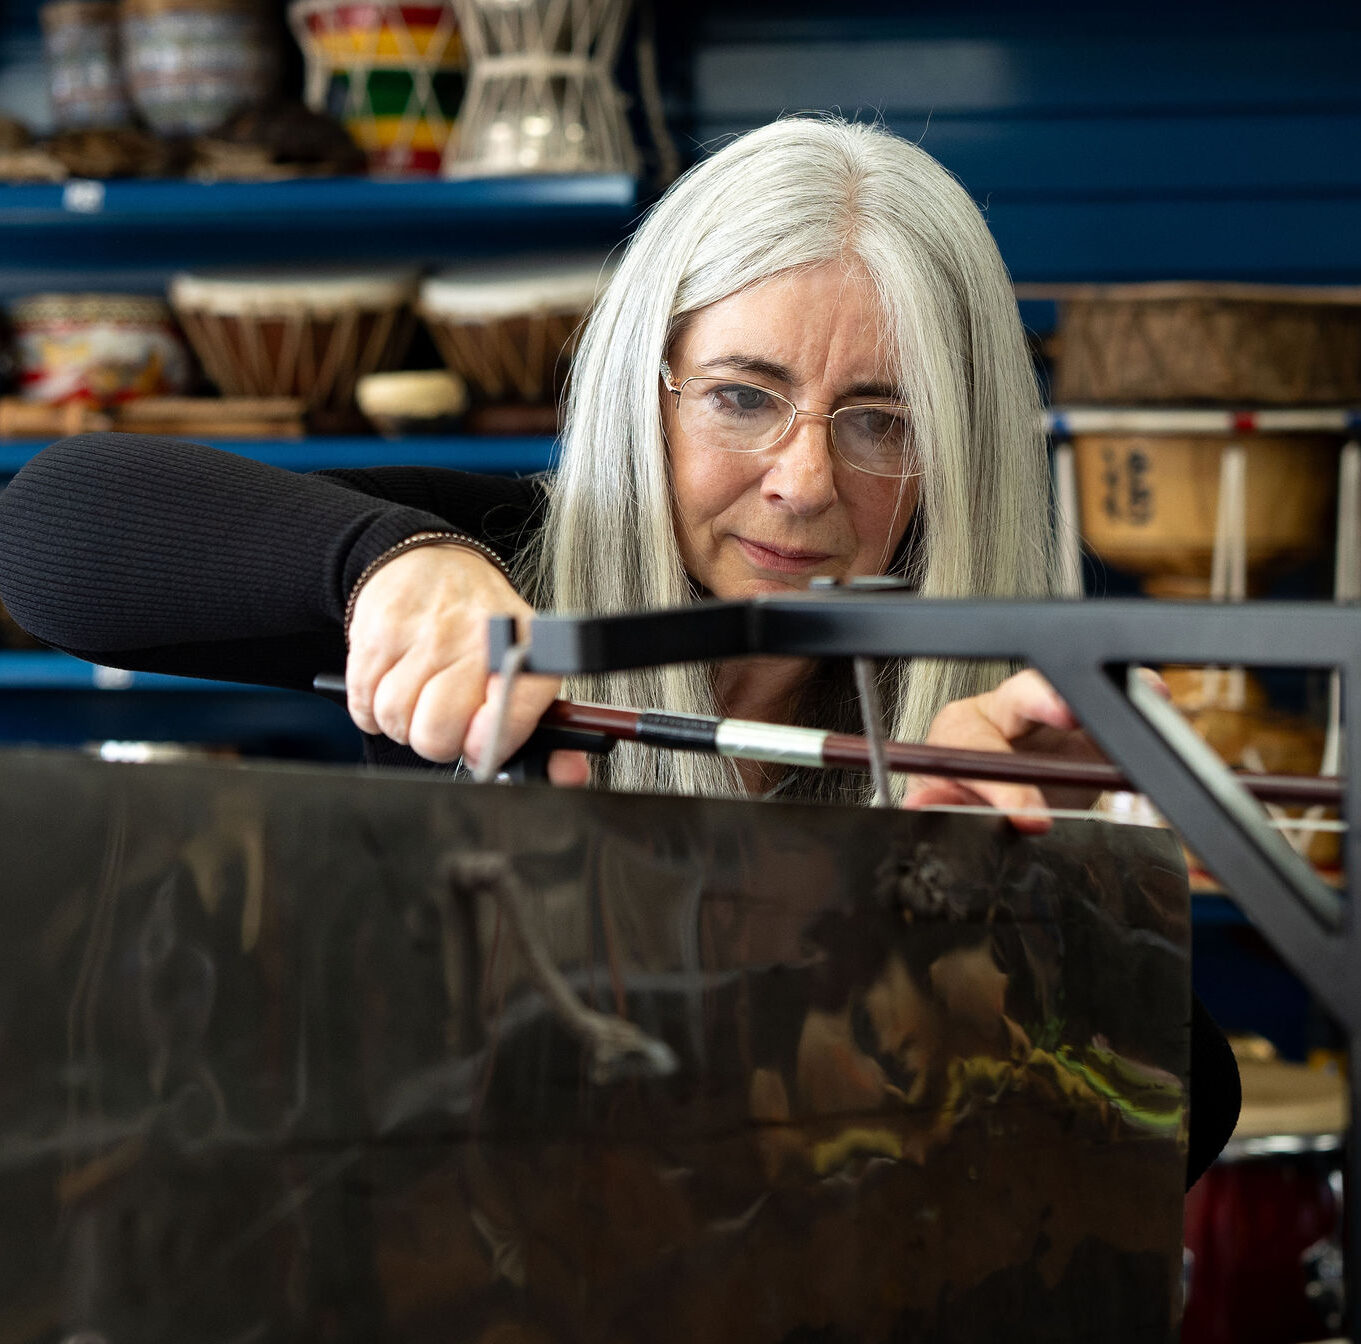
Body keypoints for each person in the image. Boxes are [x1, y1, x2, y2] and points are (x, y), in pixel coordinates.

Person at [0, 114, 1237, 1178]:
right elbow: (47, 535)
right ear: (644, 386)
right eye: (742, 397)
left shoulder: (972, 725)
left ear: (953, 462)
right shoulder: (515, 565)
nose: (801, 483)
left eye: (879, 422)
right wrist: (389, 564)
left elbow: (1175, 1120)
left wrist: (1053, 895)